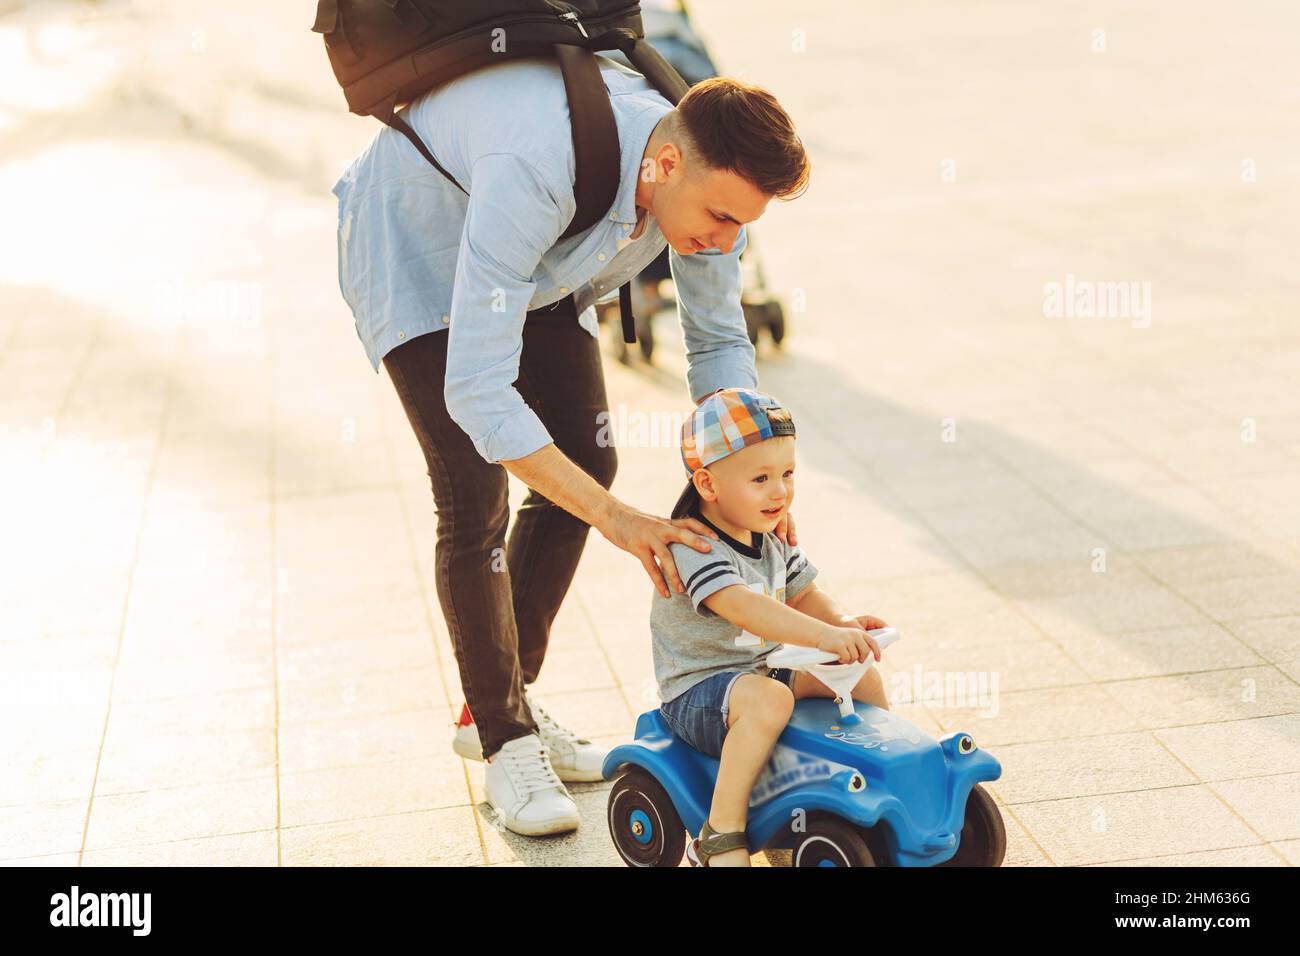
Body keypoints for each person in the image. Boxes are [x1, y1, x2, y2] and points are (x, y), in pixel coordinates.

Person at [330, 55, 811, 836]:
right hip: (417, 243)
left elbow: (720, 342)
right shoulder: (539, 163)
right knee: (472, 486)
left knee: (586, 461)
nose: (726, 241)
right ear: (665, 162)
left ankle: (498, 700)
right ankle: (505, 737)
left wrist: (754, 485)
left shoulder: (694, 183)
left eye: (742, 226)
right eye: (721, 217)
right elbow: (479, 392)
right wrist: (621, 522)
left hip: (542, 258)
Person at [649, 388, 891, 866]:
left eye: (787, 474)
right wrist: (820, 636)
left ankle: (875, 778)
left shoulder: (770, 537)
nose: (780, 491)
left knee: (859, 673)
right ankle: (720, 831)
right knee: (770, 699)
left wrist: (841, 624)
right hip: (701, 692)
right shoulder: (696, 546)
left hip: (764, 671)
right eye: (760, 478)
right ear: (708, 484)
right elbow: (741, 606)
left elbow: (805, 593)